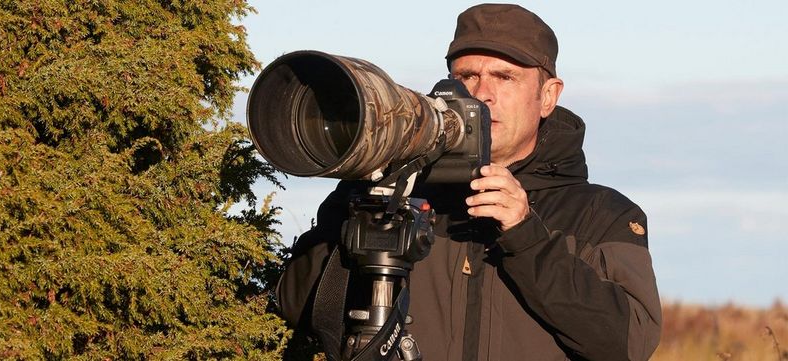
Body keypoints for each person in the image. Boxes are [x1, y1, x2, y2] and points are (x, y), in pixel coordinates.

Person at [276, 3, 662, 361]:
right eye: (467, 76)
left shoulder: (602, 213)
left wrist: (527, 236)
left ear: (548, 96)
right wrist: (363, 201)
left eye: (504, 77)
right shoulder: (396, 191)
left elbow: (629, 344)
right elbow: (296, 308)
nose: (482, 94)